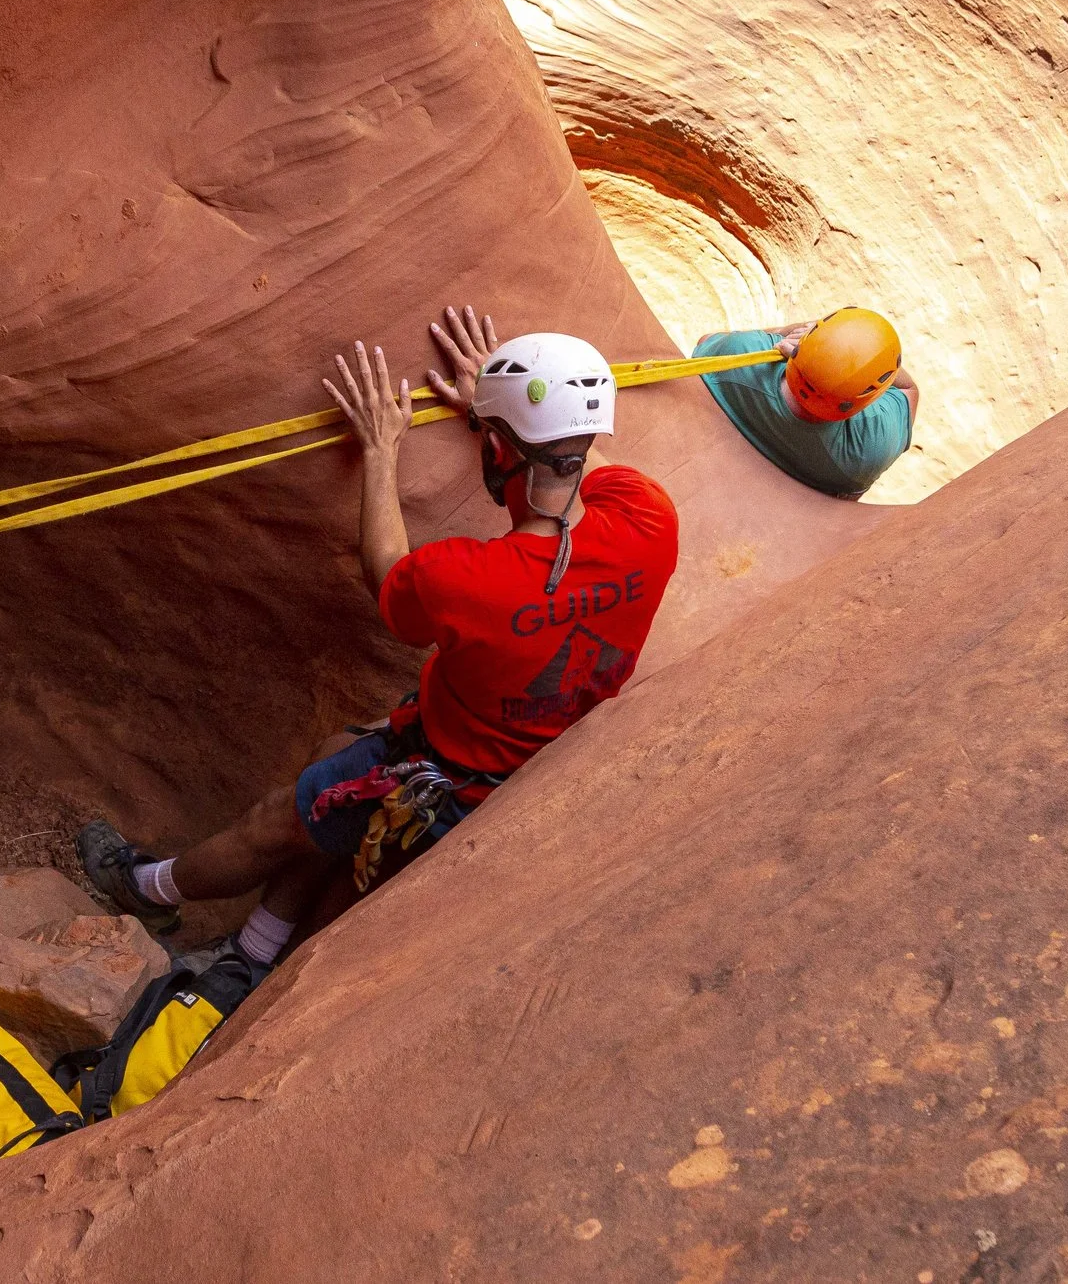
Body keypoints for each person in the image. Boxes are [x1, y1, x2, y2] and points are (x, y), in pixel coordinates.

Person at [77, 307, 680, 969]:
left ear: (500, 450)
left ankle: (142, 887)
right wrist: (497, 408)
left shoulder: (471, 577)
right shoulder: (650, 518)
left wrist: (379, 448)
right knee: (335, 758)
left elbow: (387, 572)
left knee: (279, 819)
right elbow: (583, 457)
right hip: (528, 756)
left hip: (447, 768)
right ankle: (254, 951)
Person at [692, 307, 919, 498]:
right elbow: (909, 390)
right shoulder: (868, 451)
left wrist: (785, 333)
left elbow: (704, 343)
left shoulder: (739, 355)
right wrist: (869, 365)